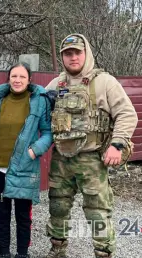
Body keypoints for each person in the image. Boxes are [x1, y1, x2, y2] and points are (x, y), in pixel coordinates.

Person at [45, 34, 138, 258]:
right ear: (62, 57)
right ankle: (57, 250)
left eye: (78, 52)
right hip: (61, 158)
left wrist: (117, 145)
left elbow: (127, 114)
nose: (73, 57)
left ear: (86, 54)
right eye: (68, 54)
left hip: (92, 159)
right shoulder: (55, 84)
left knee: (97, 212)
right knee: (57, 207)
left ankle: (103, 253)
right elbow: (38, 113)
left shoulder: (104, 81)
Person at [0, 63, 53, 258]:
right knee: (1, 216)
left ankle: (22, 253)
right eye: (14, 76)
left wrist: (34, 151)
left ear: (29, 80)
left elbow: (48, 133)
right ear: (8, 78)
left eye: (22, 77)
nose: (17, 80)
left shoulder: (38, 101)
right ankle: (3, 253)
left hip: (24, 167)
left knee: (23, 216)